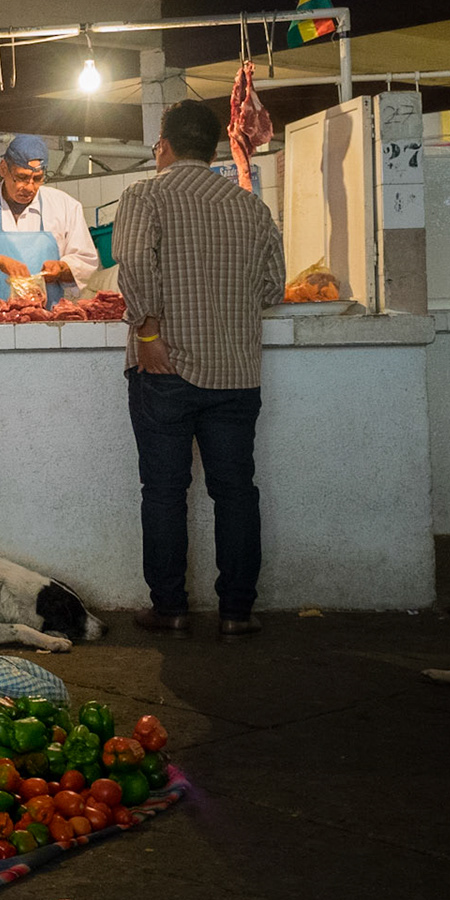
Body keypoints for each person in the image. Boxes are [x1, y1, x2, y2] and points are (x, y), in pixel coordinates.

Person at [115, 99, 286, 640]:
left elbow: (135, 266)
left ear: (163, 144)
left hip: (164, 367)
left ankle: (171, 608)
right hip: (235, 373)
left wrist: (147, 332)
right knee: (236, 492)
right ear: (213, 148)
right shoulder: (251, 208)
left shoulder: (145, 195)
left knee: (165, 491)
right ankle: (237, 611)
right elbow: (272, 288)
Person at [0, 134, 99, 306]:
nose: (30, 187)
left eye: (37, 179)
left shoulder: (66, 206)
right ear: (3, 169)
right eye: (21, 177)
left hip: (48, 322)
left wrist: (61, 269)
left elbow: (85, 261)